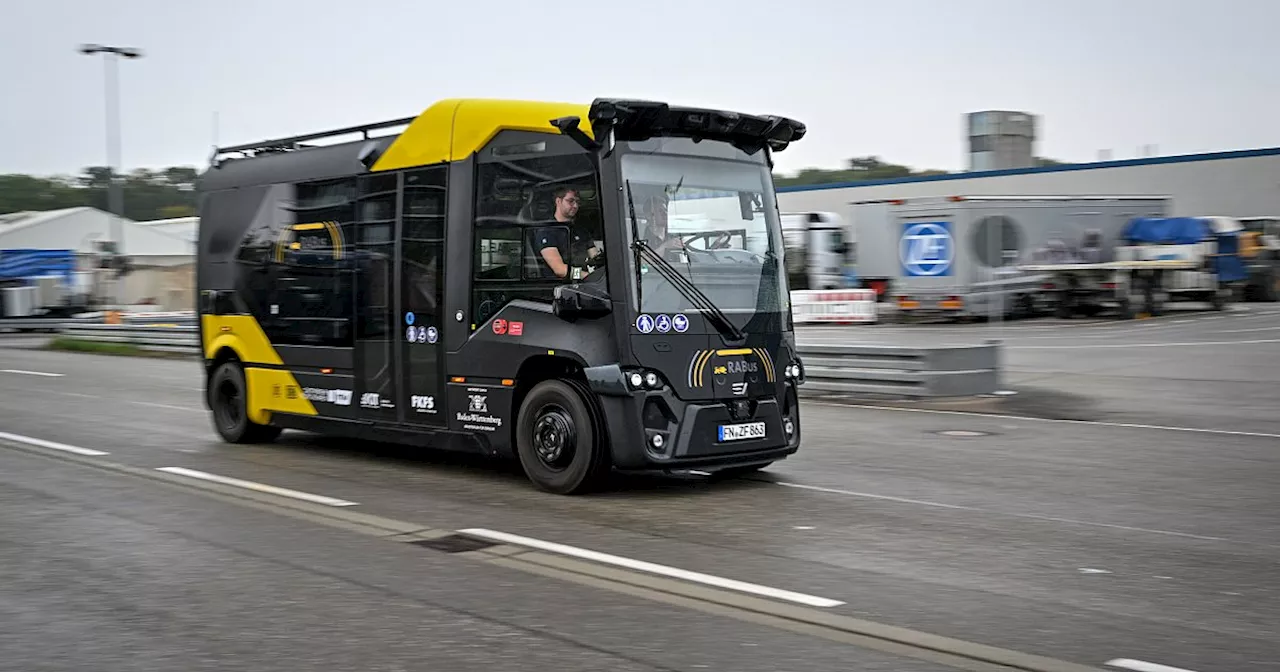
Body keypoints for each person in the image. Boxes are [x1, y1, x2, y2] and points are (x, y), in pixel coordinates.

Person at [531, 186, 600, 279]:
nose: (575, 206)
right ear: (558, 201)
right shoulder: (547, 232)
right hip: (559, 287)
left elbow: (594, 256)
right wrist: (586, 276)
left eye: (577, 202)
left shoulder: (581, 231)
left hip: (583, 284)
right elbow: (560, 270)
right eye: (570, 201)